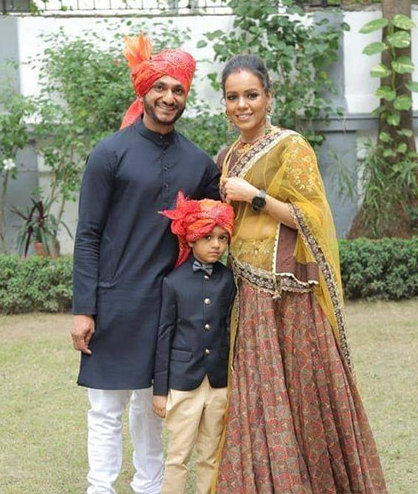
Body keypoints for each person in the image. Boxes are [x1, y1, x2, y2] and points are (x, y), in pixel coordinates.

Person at [214, 54, 389, 493]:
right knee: (257, 394)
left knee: (302, 392)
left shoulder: (291, 147)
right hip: (247, 292)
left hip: (288, 293)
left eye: (251, 95)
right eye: (233, 97)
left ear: (268, 98)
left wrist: (255, 197)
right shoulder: (227, 155)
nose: (242, 105)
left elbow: (312, 215)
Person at [69, 34, 221, 494]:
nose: (169, 97)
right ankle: (100, 487)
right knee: (106, 409)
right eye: (161, 88)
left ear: (185, 96)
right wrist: (84, 307)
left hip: (168, 307)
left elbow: (211, 232)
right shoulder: (109, 154)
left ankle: (150, 487)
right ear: (144, 90)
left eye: (178, 90)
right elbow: (89, 235)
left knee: (153, 407)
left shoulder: (198, 164)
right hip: (114, 301)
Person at [153, 192, 236, 494]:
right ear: (191, 239)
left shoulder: (228, 280)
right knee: (177, 456)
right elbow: (164, 336)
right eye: (208, 237)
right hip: (182, 384)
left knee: (211, 455)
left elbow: (229, 327)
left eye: (222, 238)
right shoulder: (172, 282)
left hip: (218, 383)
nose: (216, 245)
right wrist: (160, 391)